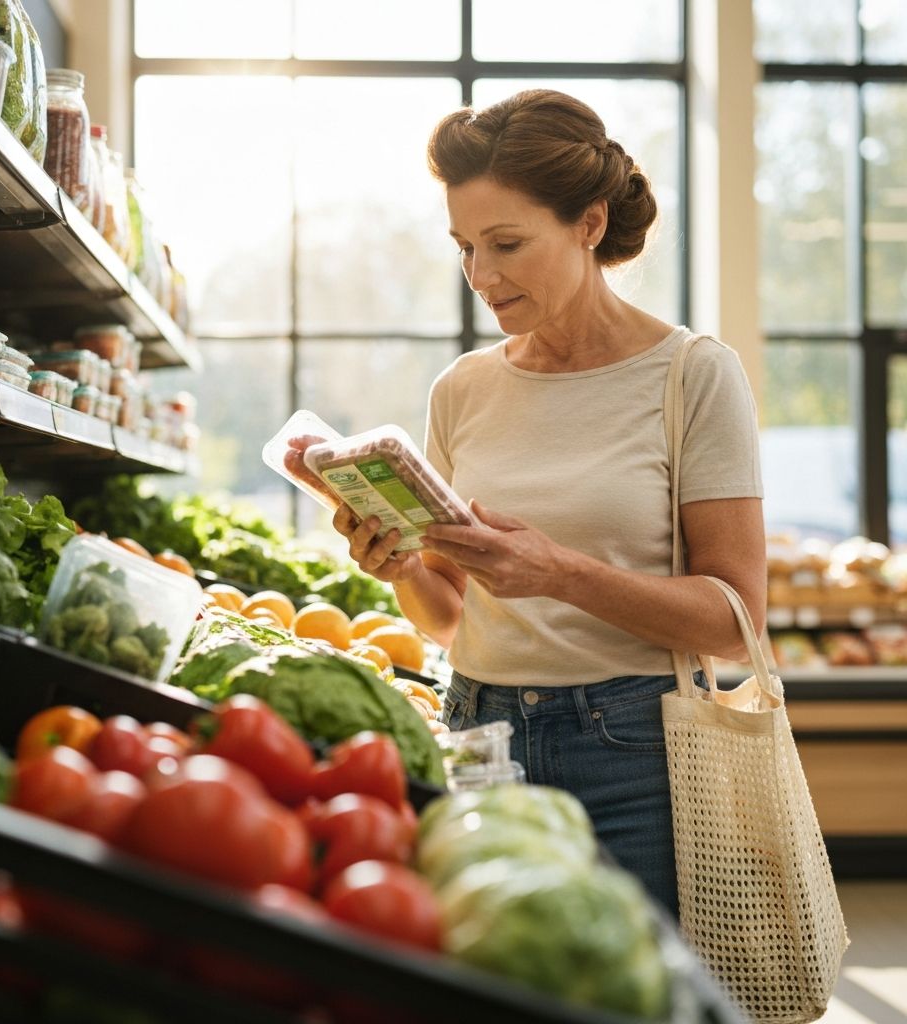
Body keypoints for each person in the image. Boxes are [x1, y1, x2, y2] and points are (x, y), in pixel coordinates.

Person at [297, 89, 766, 918]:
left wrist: (558, 571)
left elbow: (736, 623)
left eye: (507, 243)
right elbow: (448, 620)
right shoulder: (463, 390)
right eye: (466, 247)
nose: (482, 275)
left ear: (589, 224)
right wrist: (398, 564)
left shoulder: (692, 375)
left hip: (632, 753)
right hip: (478, 731)